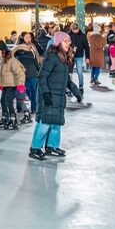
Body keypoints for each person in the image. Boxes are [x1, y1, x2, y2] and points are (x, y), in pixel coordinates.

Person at [30, 31, 71, 161]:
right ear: (58, 42)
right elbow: (42, 76)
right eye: (65, 41)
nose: (68, 44)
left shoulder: (63, 58)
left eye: (69, 41)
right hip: (48, 95)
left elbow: (66, 79)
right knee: (45, 123)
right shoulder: (52, 57)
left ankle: (51, 146)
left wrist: (75, 90)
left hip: (58, 96)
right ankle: (35, 148)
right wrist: (46, 94)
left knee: (56, 123)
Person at [0, 41, 26, 130]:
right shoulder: (3, 60)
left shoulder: (12, 60)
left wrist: (21, 85)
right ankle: (5, 117)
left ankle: (13, 119)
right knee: (2, 101)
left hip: (12, 84)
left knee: (8, 101)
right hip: (6, 84)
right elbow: (0, 74)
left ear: (3, 51)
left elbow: (20, 73)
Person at [12, 33, 41, 115]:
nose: (28, 39)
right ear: (23, 38)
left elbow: (36, 59)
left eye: (29, 37)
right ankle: (19, 107)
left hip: (32, 72)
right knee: (21, 90)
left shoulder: (33, 47)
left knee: (34, 91)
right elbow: (14, 60)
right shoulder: (18, 48)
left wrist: (39, 70)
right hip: (22, 73)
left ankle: (34, 108)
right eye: (26, 37)